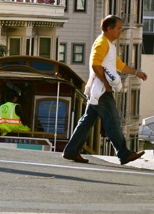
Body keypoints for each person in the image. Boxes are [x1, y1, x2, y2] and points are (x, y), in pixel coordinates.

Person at [63, 15, 147, 165]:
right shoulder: (102, 43)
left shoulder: (108, 44)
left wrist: (136, 72)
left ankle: (71, 151)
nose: (120, 31)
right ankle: (123, 153)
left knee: (87, 121)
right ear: (109, 29)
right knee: (113, 121)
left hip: (97, 90)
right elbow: (96, 65)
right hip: (101, 91)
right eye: (118, 28)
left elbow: (119, 65)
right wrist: (106, 84)